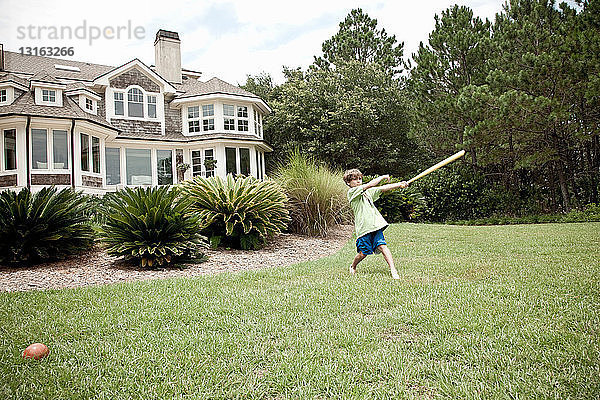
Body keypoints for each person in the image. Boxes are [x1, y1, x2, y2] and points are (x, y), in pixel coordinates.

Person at [343, 169, 408, 279]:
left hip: (375, 225)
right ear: (348, 183)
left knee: (383, 246)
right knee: (363, 253)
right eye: (354, 179)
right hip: (364, 228)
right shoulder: (352, 193)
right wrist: (382, 177)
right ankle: (353, 266)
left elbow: (382, 188)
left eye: (359, 178)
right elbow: (369, 185)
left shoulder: (367, 193)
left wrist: (399, 184)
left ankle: (393, 269)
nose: (358, 181)